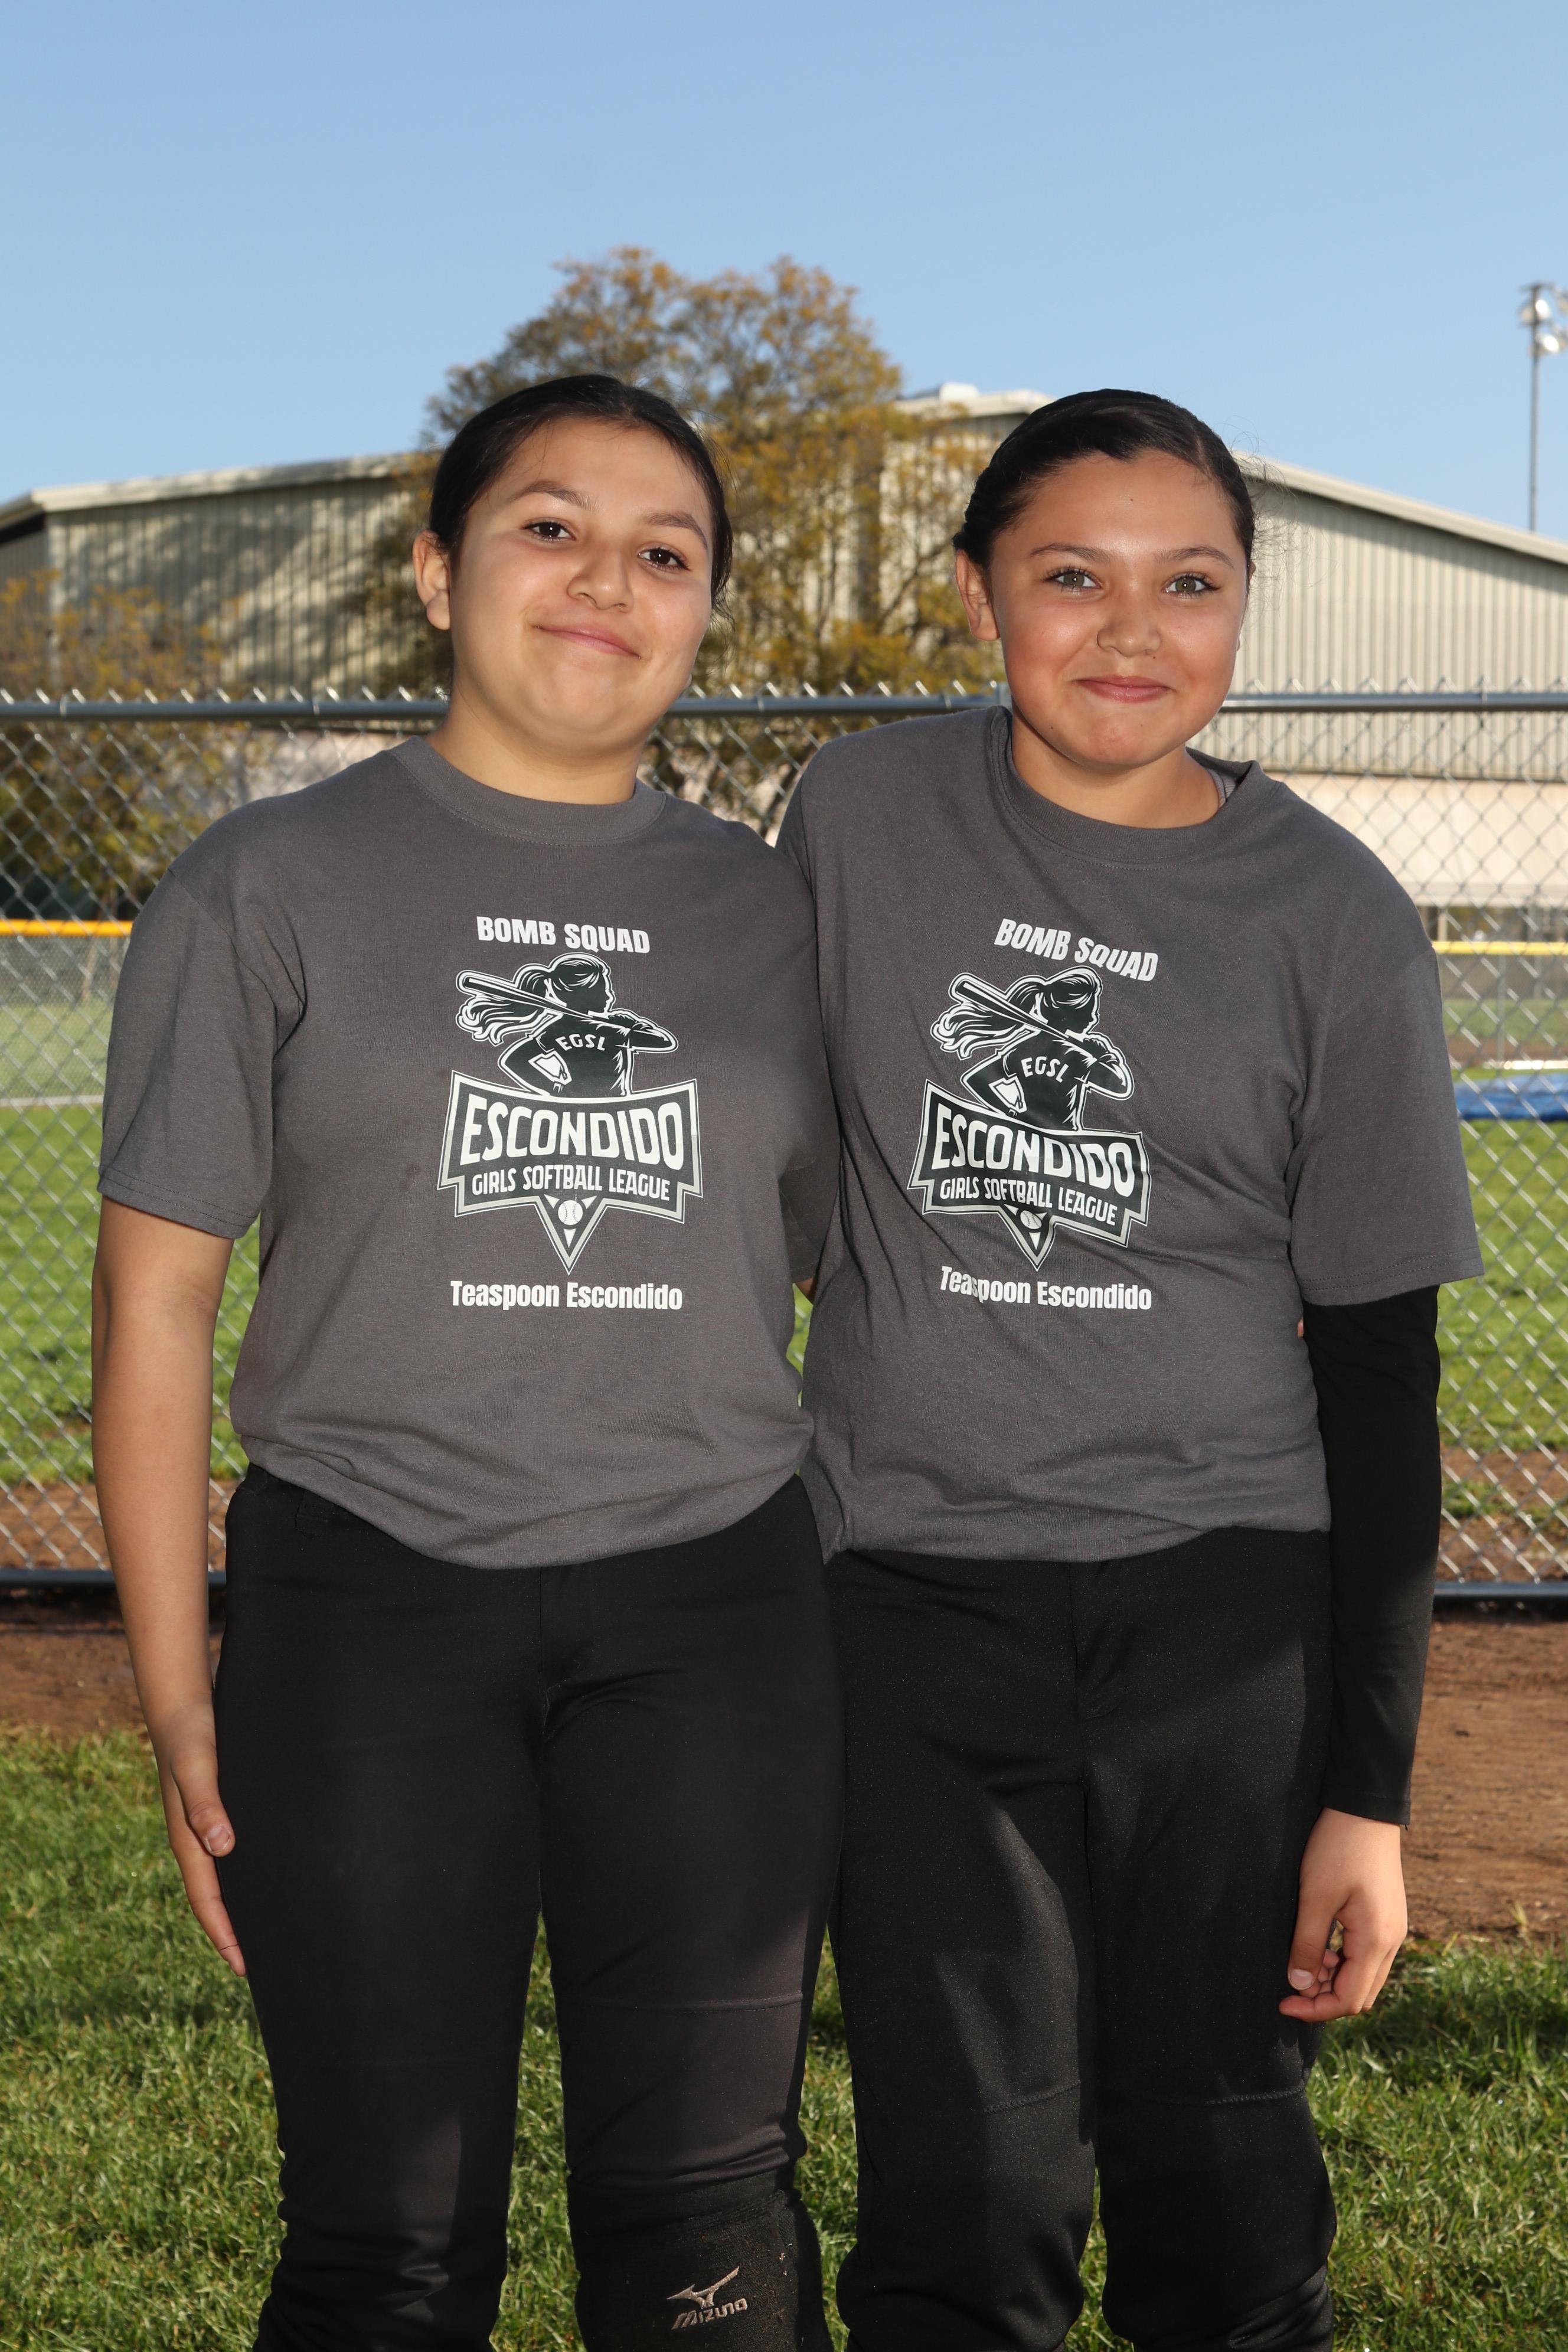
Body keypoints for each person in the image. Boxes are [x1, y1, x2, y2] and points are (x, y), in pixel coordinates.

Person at [93, 374, 842, 2352]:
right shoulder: (264, 882)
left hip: (713, 1608)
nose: (608, 581)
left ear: (706, 610)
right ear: (437, 571)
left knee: (708, 2233)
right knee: (389, 2243)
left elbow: (858, 1264)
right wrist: (178, 1689)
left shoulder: (777, 913)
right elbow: (156, 1306)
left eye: (665, 552)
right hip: (370, 1602)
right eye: (549, 527)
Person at [779, 389, 1481, 2352]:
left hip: (1225, 1622)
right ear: (978, 593)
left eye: (1191, 585)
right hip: (911, 1603)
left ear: (1246, 604)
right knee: (967, 2200)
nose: (1131, 632)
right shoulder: (860, 819)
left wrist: (1366, 1795)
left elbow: (1384, 1377)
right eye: (1071, 576)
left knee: (1222, 2197)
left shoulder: (1332, 915)